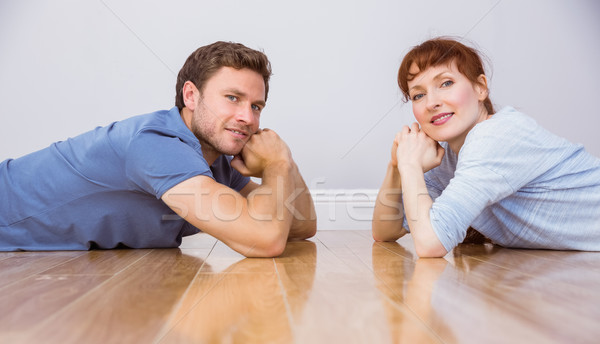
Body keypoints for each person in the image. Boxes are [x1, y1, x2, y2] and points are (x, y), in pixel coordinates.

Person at [0, 41, 316, 256]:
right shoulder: (157, 145)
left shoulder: (217, 161)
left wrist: (284, 160)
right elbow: (265, 240)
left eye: (256, 106)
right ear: (191, 96)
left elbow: (302, 225)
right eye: (232, 98)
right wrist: (276, 166)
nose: (248, 117)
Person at [372, 37, 600, 257]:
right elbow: (385, 232)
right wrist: (396, 166)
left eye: (446, 83)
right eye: (418, 95)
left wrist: (410, 165)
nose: (431, 103)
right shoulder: (446, 157)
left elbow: (430, 244)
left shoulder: (496, 136)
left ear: (480, 88)